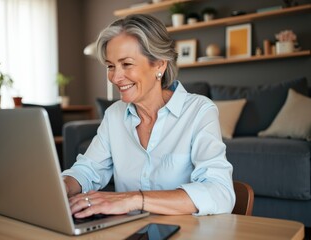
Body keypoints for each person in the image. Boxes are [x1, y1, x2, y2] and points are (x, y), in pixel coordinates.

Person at [62, 14, 235, 219]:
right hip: (130, 232)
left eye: (126, 64)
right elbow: (87, 170)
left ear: (160, 65)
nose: (115, 77)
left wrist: (134, 199)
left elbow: (220, 193)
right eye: (110, 66)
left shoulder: (199, 111)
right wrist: (60, 188)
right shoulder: (114, 115)